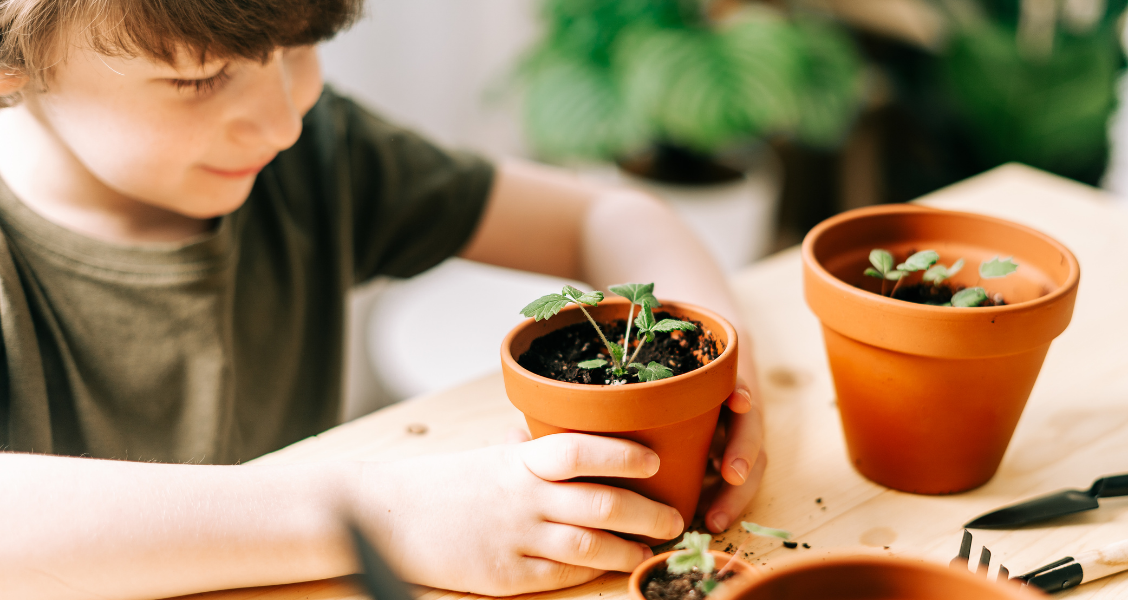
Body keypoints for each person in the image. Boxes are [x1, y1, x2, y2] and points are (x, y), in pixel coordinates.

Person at [0, 1, 765, 598]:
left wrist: (723, 375)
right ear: (13, 65)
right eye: (200, 77)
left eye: (300, 48)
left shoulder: (320, 152)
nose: (283, 120)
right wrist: (380, 517)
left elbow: (613, 217)